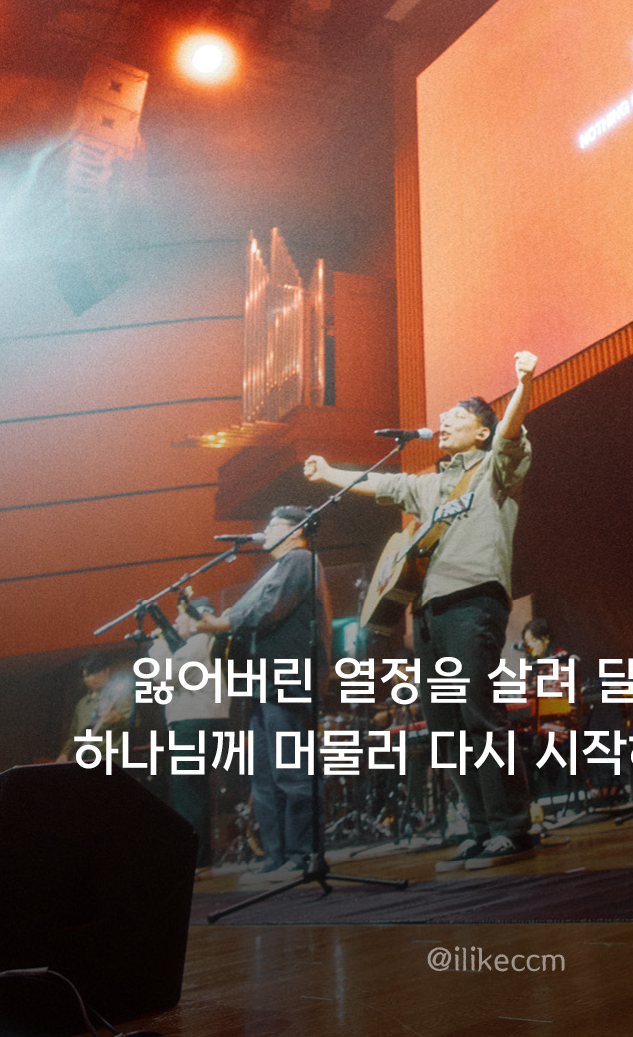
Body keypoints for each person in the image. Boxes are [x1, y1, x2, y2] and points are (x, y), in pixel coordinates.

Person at [304, 350, 537, 870]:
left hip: (474, 599)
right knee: (446, 726)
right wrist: (328, 473)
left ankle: (511, 828)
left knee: (479, 714)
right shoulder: (427, 484)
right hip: (428, 610)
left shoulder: (496, 469)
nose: (444, 423)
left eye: (456, 418)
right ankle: (480, 829)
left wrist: (524, 384)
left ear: (480, 433)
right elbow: (381, 484)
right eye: (443, 418)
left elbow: (510, 434)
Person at [197, 506, 330, 881]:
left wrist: (219, 624)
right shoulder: (277, 568)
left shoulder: (300, 559)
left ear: (296, 531)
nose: (265, 530)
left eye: (274, 525)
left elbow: (270, 607)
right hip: (265, 684)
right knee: (265, 777)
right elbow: (251, 608)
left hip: (288, 681)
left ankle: (302, 855)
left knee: (293, 772)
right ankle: (275, 857)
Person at [147, 594, 231, 870]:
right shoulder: (206, 642)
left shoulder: (199, 641)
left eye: (180, 617)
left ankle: (194, 862)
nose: (175, 623)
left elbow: (167, 676)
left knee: (188, 794)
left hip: (194, 722)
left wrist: (158, 646)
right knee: (195, 792)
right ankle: (200, 859)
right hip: (207, 721)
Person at [57, 653, 134, 762]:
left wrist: (118, 720)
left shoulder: (122, 696)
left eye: (94, 673)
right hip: (85, 758)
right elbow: (74, 735)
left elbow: (133, 727)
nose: (90, 678)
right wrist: (65, 753)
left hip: (111, 758)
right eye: (86, 676)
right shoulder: (82, 704)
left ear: (106, 671)